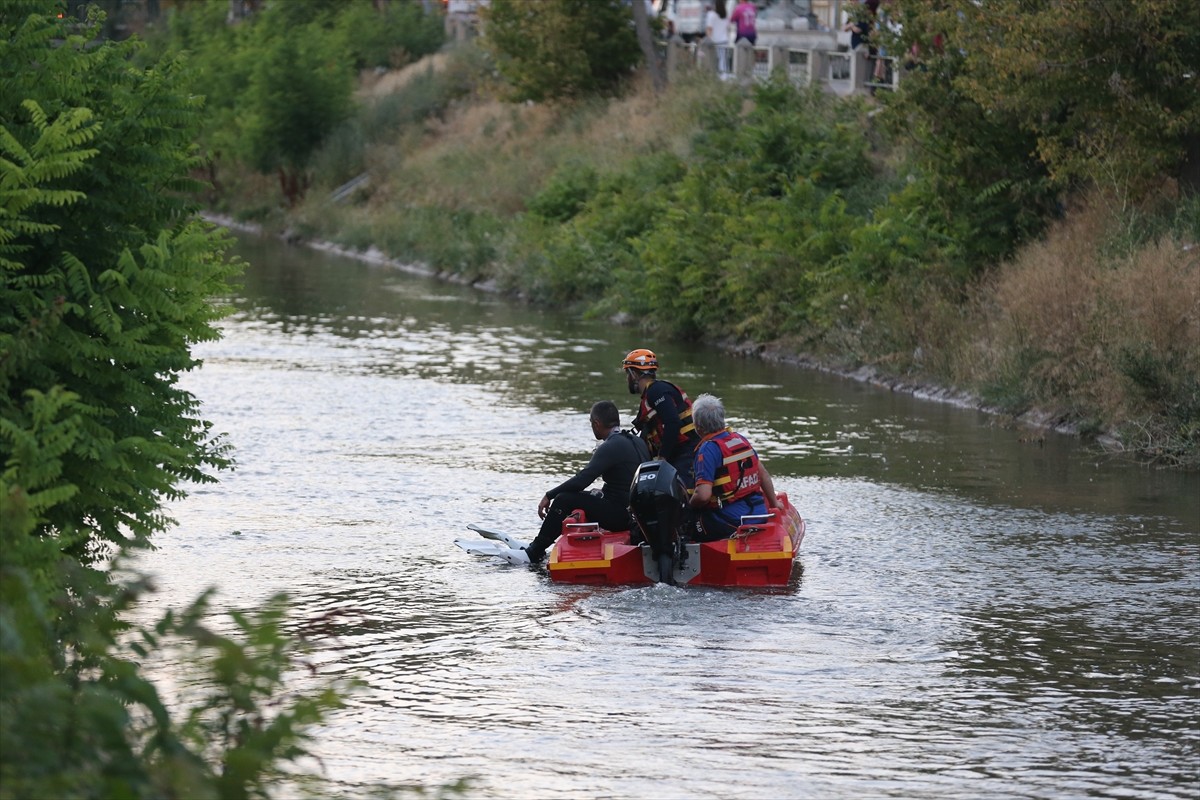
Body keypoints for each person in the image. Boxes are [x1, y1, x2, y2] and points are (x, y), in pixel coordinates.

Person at [523, 401, 650, 563]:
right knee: (585, 495)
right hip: (638, 515)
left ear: (597, 424)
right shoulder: (636, 441)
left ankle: (534, 551)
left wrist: (549, 495)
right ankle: (538, 545)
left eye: (592, 424)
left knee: (564, 498)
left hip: (620, 516)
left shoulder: (610, 446)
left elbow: (582, 480)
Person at [687, 393, 780, 541]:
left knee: (688, 518)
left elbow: (703, 495)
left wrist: (689, 505)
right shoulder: (739, 439)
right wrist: (774, 503)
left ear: (698, 427)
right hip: (759, 513)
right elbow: (763, 474)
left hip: (732, 521)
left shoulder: (707, 450)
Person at [622, 348, 700, 488]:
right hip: (680, 452)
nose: (626, 378)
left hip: (686, 452)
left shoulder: (656, 391)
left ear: (633, 374)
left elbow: (672, 422)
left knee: (683, 494)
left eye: (627, 373)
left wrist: (662, 458)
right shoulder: (651, 395)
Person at [704, 0, 731, 76]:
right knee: (724, 62)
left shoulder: (711, 15)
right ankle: (725, 77)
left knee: (714, 61)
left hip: (715, 41)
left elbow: (709, 29)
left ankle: (715, 77)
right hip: (724, 40)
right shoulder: (725, 15)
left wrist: (708, 39)